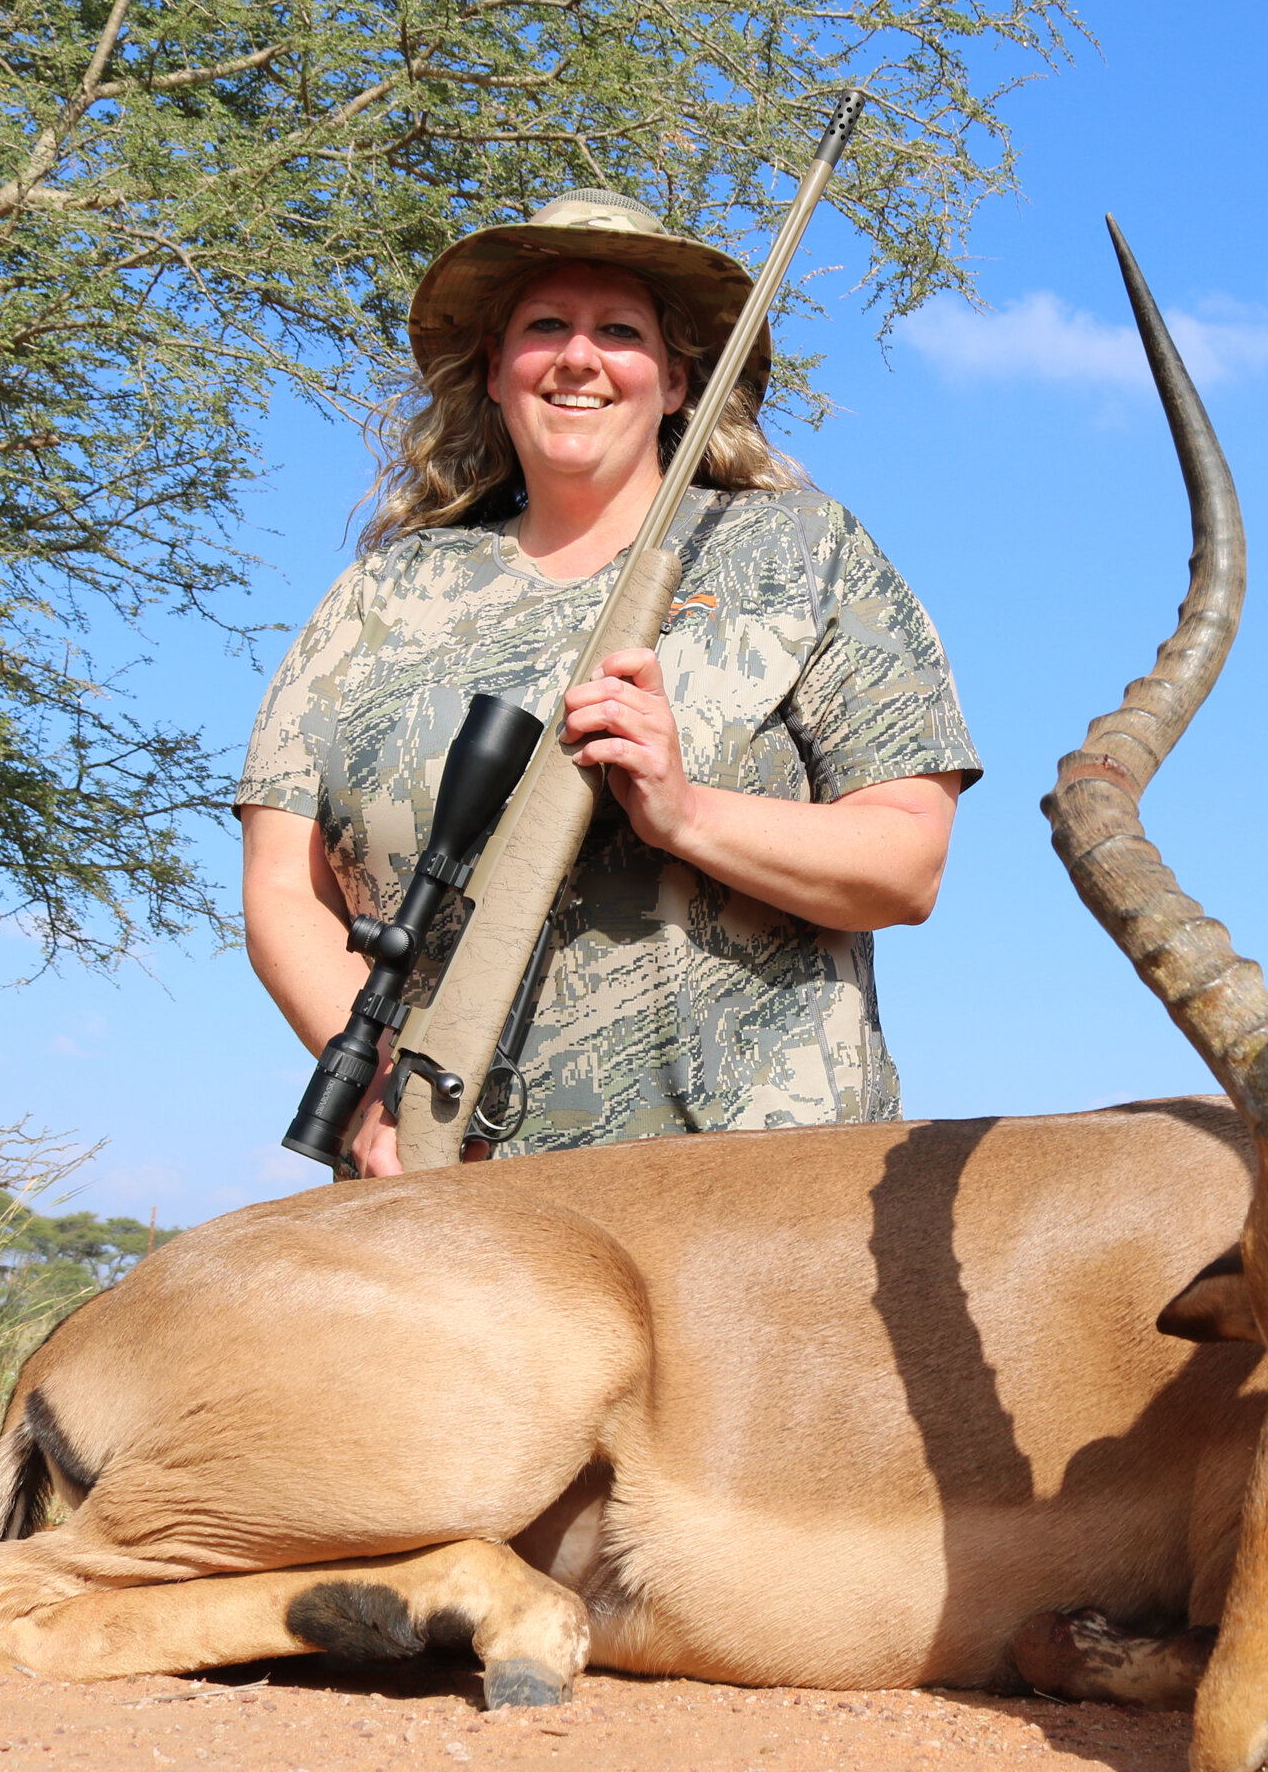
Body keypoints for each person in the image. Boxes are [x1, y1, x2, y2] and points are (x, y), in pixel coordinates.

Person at [234, 189, 978, 1175]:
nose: (578, 356)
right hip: (442, 1188)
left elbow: (907, 863)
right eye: (546, 325)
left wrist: (683, 812)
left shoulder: (802, 551)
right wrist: (380, 1082)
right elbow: (283, 883)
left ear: (677, 381)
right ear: (495, 370)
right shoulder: (378, 591)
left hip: (764, 1198)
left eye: (618, 330)